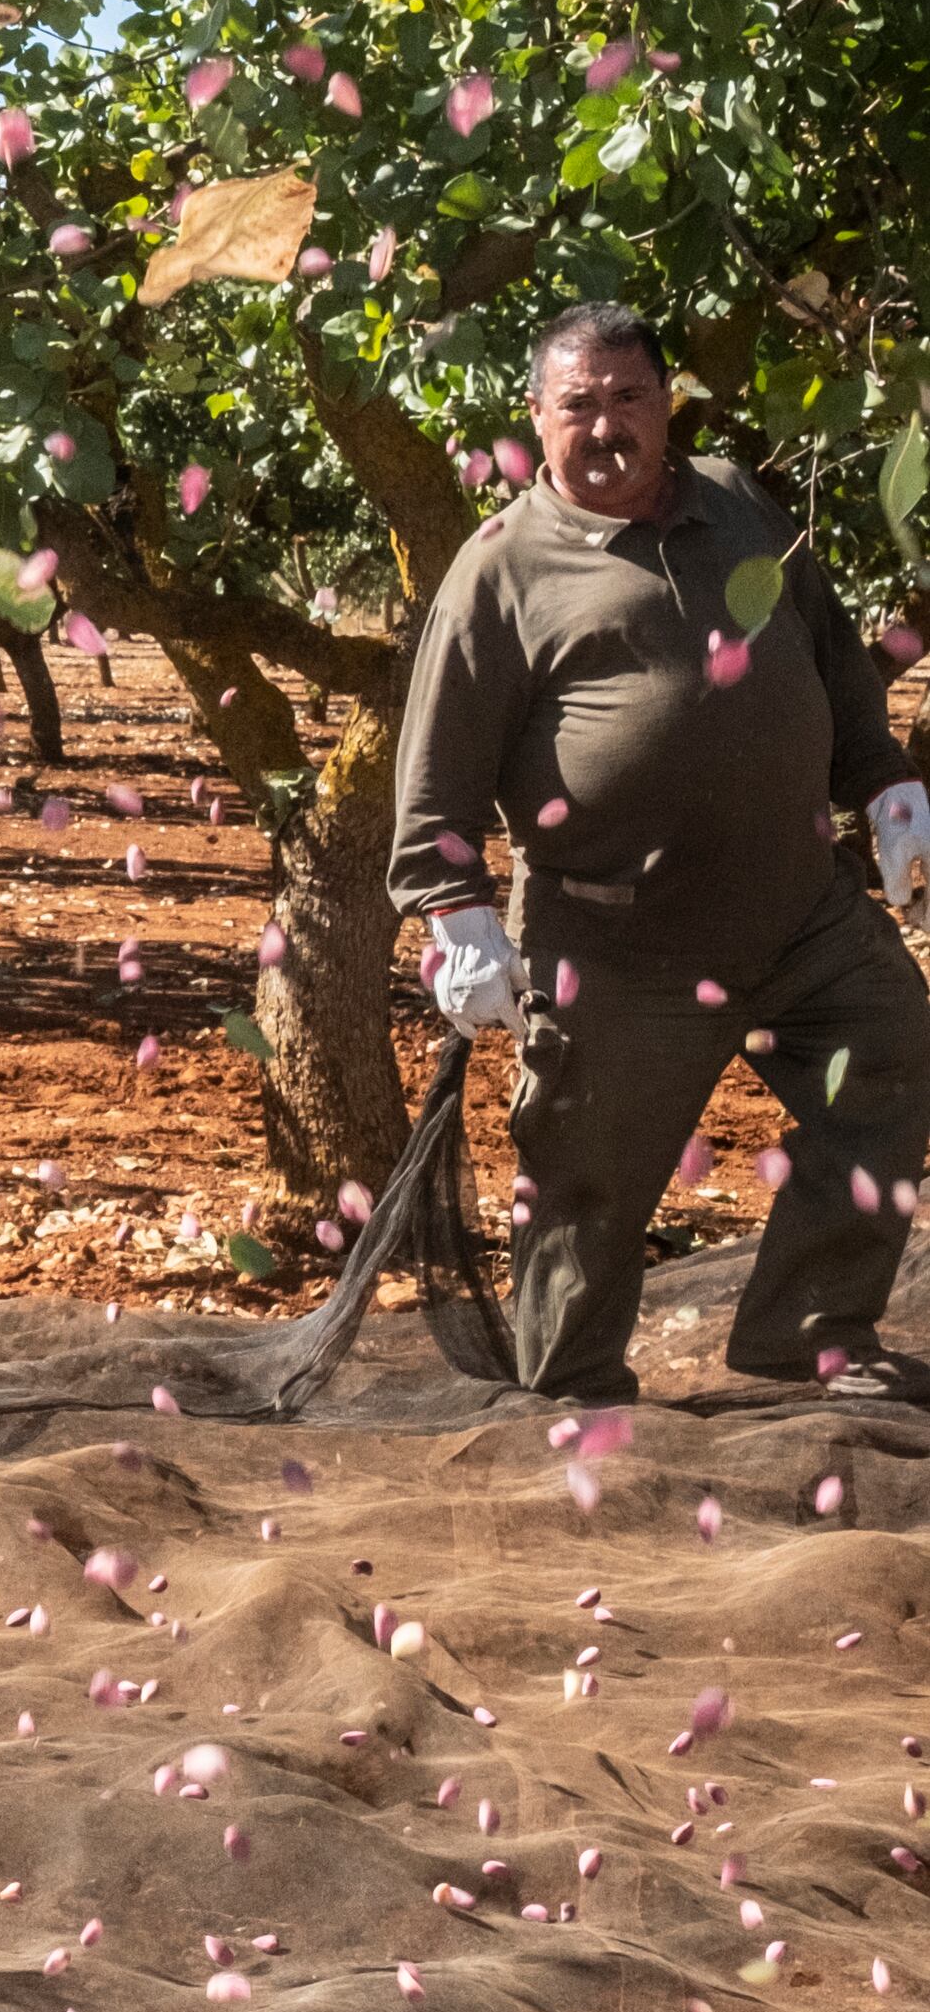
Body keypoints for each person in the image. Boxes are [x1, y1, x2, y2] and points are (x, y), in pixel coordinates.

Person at [392, 301, 930, 1402]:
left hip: (796, 911)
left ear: (665, 404)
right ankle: (569, 1389)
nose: (603, 428)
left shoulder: (735, 501)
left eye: (627, 398)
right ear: (533, 418)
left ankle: (809, 1333)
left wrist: (880, 781)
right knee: (585, 1179)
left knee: (891, 1054)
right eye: (575, 406)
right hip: (615, 942)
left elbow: (827, 657)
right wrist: (452, 908)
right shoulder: (497, 570)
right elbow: (435, 762)